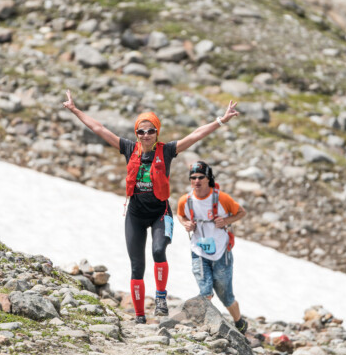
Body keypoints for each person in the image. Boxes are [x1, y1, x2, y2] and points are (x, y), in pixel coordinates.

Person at [62, 90, 239, 324]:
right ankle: (139, 316)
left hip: (160, 214)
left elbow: (195, 135)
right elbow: (99, 129)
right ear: (136, 133)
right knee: (137, 266)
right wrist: (75, 110)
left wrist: (221, 120)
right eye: (141, 131)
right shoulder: (128, 148)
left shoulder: (167, 151)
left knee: (158, 250)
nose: (146, 135)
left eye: (151, 131)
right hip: (135, 215)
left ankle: (161, 297)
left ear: (157, 132)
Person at [176, 161, 249, 333]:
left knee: (226, 296)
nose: (197, 181)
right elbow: (180, 214)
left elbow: (241, 212)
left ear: (208, 178)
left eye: (201, 177)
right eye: (193, 177)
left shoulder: (221, 198)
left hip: (221, 251)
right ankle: (206, 327)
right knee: (205, 291)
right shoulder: (186, 200)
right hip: (198, 250)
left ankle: (239, 322)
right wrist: (186, 223)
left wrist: (226, 221)